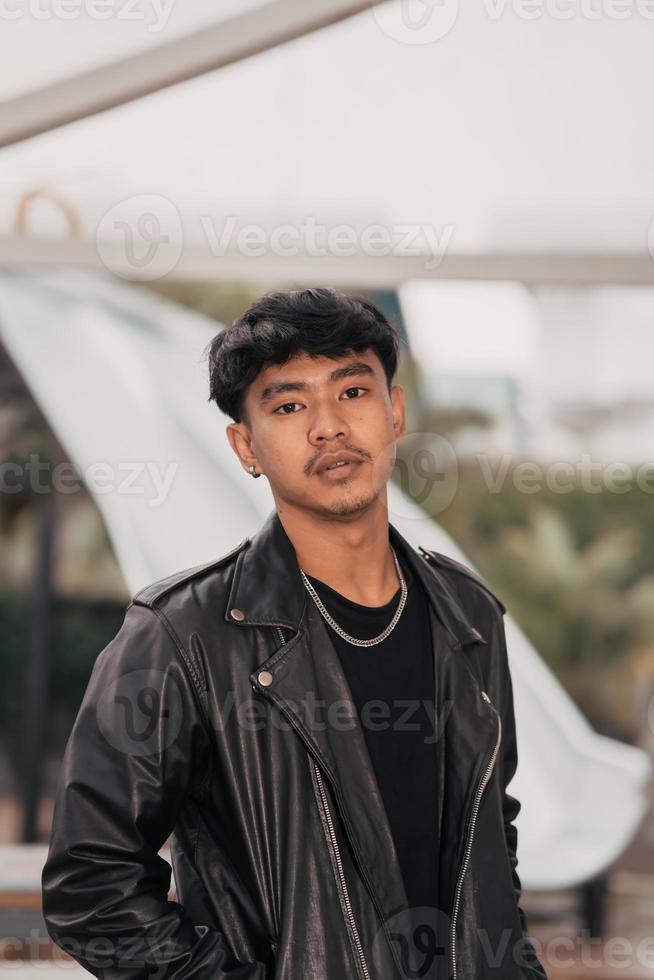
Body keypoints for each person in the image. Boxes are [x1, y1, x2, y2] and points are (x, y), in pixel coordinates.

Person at [42, 287, 548, 980]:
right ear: (245, 446)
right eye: (288, 406)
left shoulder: (468, 613)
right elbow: (89, 886)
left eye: (352, 392)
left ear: (394, 414)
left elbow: (494, 838)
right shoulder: (182, 633)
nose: (328, 427)